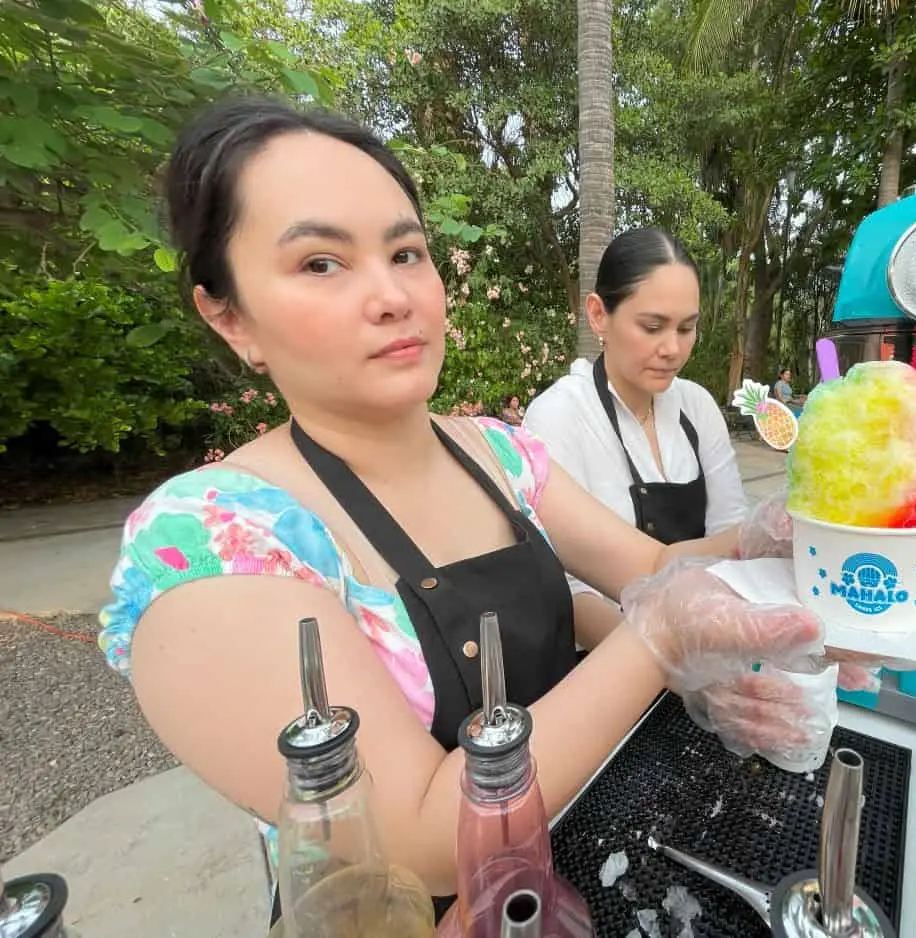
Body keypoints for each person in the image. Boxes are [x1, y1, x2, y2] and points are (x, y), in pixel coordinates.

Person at [95, 98, 831, 911]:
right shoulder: (215, 542)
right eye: (320, 264)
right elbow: (417, 845)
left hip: (589, 867)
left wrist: (791, 533)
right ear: (230, 316)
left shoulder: (496, 452)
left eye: (406, 252)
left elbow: (651, 566)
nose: (392, 296)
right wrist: (658, 640)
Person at [523, 228, 748, 636]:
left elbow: (729, 537)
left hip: (701, 638)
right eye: (652, 326)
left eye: (686, 328)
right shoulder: (560, 417)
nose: (673, 350)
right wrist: (664, 665)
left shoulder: (696, 407)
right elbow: (566, 592)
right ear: (597, 315)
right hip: (602, 663)